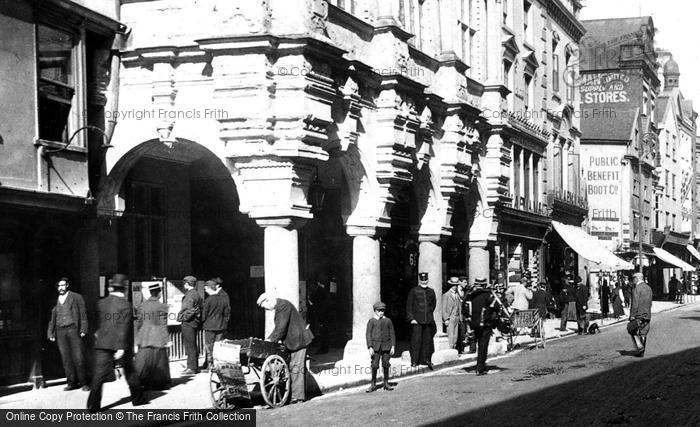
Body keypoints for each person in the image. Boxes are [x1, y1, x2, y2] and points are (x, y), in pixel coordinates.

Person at [87, 274, 145, 412]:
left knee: (98, 376)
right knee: (130, 371)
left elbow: (95, 321)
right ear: (124, 289)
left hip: (102, 343)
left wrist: (97, 333)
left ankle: (93, 406)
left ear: (111, 287)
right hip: (122, 344)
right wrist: (121, 348)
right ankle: (137, 399)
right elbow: (124, 328)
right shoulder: (126, 305)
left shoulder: (101, 303)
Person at [257, 293, 314, 403]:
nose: (267, 310)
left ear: (268, 301)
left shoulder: (283, 306)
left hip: (298, 340)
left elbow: (281, 328)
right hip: (293, 340)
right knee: (294, 366)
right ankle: (296, 392)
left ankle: (297, 397)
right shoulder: (280, 306)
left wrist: (270, 340)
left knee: (296, 367)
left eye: (265, 307)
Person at [47, 277, 89, 391]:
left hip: (73, 329)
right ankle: (71, 383)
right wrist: (50, 332)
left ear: (67, 285)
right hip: (60, 331)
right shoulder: (55, 299)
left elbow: (83, 314)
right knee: (66, 359)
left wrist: (83, 330)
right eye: (59, 286)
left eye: (63, 285)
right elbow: (52, 318)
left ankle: (84, 382)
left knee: (78, 358)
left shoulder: (76, 297)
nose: (61, 288)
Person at [134, 283, 171, 390]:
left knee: (144, 360)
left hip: (144, 336)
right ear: (159, 293)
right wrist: (167, 339)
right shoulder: (162, 306)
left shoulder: (142, 306)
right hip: (158, 336)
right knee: (159, 361)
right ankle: (158, 383)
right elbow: (163, 324)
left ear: (150, 293)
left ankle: (142, 381)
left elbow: (139, 323)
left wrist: (138, 337)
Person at [467, 277, 500, 375]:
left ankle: (479, 364)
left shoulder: (470, 295)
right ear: (484, 284)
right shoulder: (488, 295)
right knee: (483, 345)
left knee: (477, 344)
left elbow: (464, 308)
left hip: (473, 323)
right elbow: (497, 306)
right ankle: (480, 367)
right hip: (485, 323)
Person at [406, 272, 436, 369]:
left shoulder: (431, 291)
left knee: (427, 341)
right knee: (416, 341)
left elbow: (433, 305)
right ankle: (414, 361)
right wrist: (411, 318)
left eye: (425, 280)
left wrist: (430, 316)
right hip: (417, 321)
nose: (424, 281)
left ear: (427, 280)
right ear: (419, 280)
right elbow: (409, 306)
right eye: (422, 280)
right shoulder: (414, 291)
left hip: (427, 321)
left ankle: (426, 359)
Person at [365, 301, 395, 393]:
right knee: (374, 365)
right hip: (375, 347)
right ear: (375, 311)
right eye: (379, 311)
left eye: (382, 311)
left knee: (386, 364)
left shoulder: (388, 321)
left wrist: (393, 346)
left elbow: (392, 333)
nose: (381, 312)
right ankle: (373, 384)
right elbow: (368, 334)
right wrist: (370, 346)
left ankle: (386, 383)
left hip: (386, 346)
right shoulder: (372, 321)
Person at [201, 279, 230, 371]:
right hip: (221, 326)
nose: (205, 290)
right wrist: (224, 322)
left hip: (209, 326)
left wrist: (204, 321)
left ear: (210, 288)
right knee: (219, 346)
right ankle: (219, 365)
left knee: (210, 346)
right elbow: (227, 313)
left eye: (206, 289)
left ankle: (211, 365)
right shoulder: (223, 299)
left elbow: (204, 315)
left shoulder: (208, 300)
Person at [178, 275, 203, 375]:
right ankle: (193, 366)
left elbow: (189, 310)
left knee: (190, 345)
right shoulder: (195, 294)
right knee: (192, 344)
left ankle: (191, 368)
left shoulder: (190, 295)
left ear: (187, 284)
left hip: (189, 323)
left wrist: (183, 318)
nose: (184, 284)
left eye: (184, 283)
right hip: (193, 322)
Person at [627, 272, 652, 357]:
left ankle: (640, 347)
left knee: (631, 329)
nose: (633, 281)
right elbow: (650, 303)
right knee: (643, 332)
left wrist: (632, 315)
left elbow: (635, 303)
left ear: (637, 279)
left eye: (634, 279)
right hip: (647, 314)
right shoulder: (649, 288)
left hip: (639, 315)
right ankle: (642, 352)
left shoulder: (637, 288)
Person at [307, 280, 330, 354]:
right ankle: (324, 347)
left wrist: (309, 298)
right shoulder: (325, 290)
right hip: (325, 314)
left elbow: (313, 301)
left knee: (322, 331)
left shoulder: (319, 291)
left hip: (321, 314)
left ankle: (323, 348)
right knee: (324, 331)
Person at [442, 277, 462, 350]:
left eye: (456, 285)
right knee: (451, 335)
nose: (455, 287)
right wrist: (446, 319)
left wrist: (460, 318)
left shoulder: (457, 295)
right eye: (453, 285)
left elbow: (459, 306)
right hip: (450, 317)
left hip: (456, 317)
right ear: (450, 285)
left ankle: (454, 348)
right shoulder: (446, 295)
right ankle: (451, 349)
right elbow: (443, 308)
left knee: (455, 336)